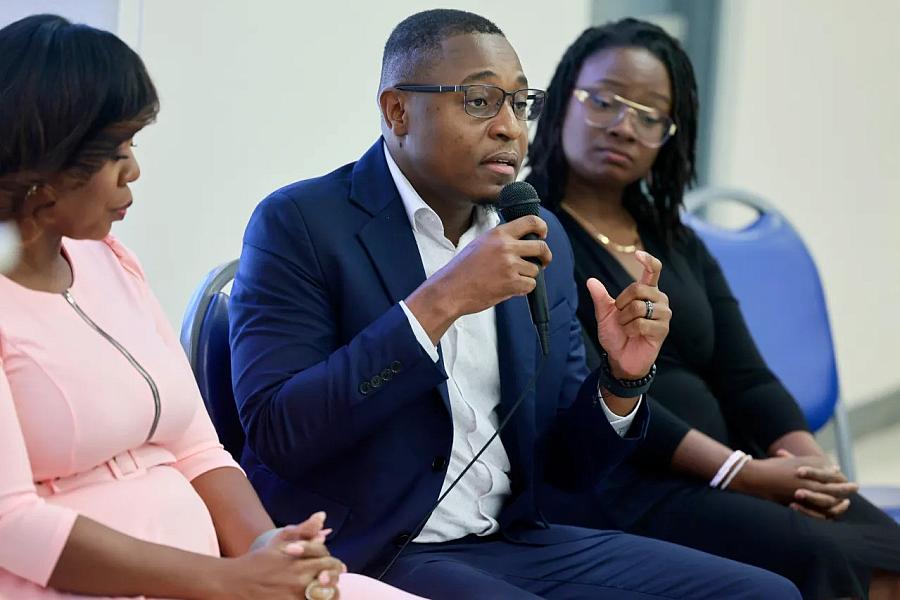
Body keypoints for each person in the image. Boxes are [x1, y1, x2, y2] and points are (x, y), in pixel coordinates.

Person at [229, 8, 801, 599]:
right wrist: (441, 301)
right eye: (479, 101)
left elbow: (568, 469)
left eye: (522, 104)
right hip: (377, 546)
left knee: (764, 594)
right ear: (398, 110)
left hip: (515, 540)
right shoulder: (300, 223)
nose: (510, 128)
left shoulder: (533, 231)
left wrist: (622, 382)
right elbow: (280, 431)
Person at [0, 14, 424, 600]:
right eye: (115, 149)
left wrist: (266, 552)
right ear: (45, 159)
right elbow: (11, 524)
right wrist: (229, 581)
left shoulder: (110, 261)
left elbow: (196, 445)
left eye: (134, 144)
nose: (135, 169)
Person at [526, 17, 900, 600]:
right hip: (620, 482)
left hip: (735, 472)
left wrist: (806, 468)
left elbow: (744, 373)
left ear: (670, 134)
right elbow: (582, 393)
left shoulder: (674, 237)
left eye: (649, 115)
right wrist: (739, 473)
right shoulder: (531, 235)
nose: (623, 127)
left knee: (884, 548)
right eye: (603, 101)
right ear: (563, 100)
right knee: (828, 556)